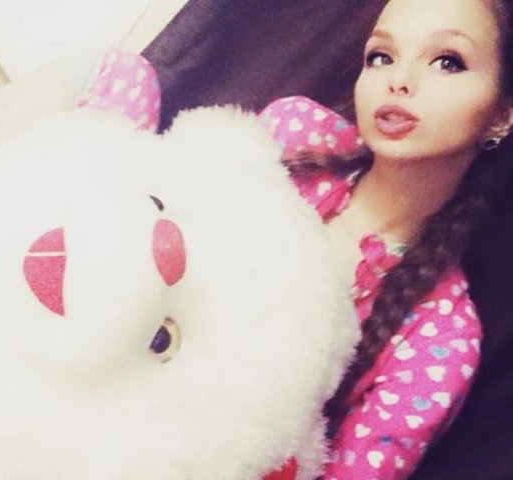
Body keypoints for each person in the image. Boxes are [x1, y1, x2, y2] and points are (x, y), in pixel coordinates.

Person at [143, 0, 513, 478]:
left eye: (447, 61)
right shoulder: (292, 133)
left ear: (502, 114)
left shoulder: (439, 339)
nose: (399, 80)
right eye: (381, 56)